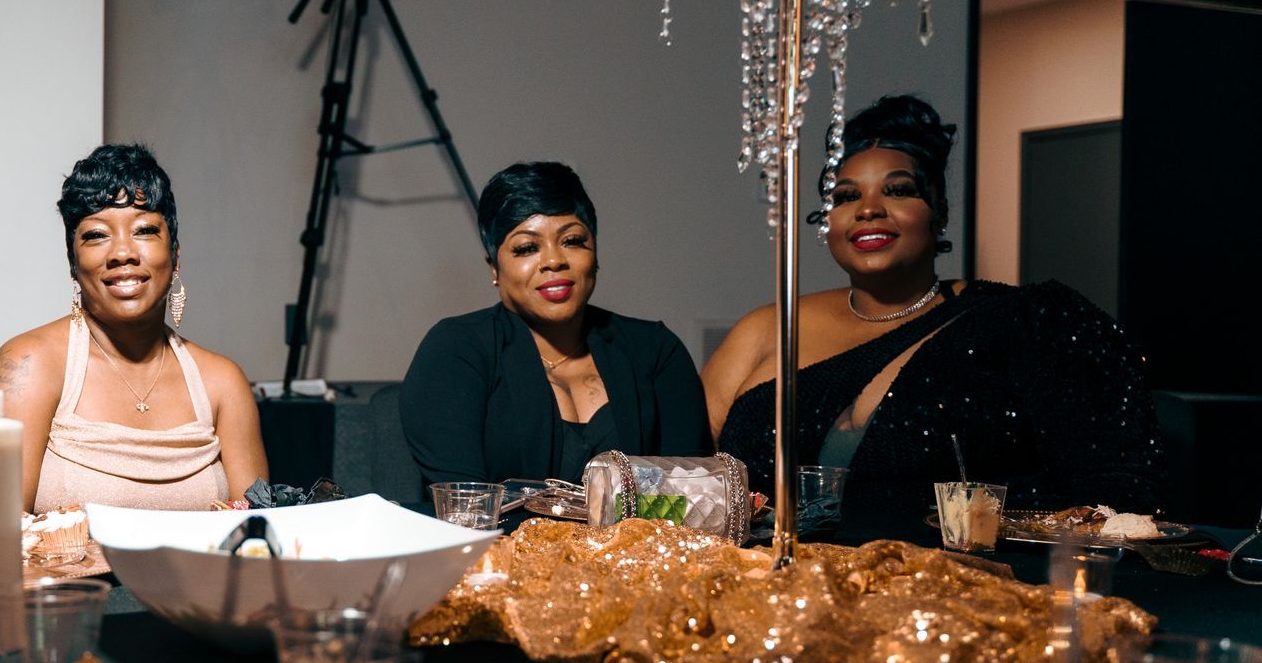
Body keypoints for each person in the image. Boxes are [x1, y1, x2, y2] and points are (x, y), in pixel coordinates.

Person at [703, 94, 1162, 532]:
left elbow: (1115, 500)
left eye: (898, 190)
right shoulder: (767, 329)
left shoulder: (1027, 321)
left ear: (938, 211)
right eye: (844, 196)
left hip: (968, 590)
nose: (868, 209)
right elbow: (684, 481)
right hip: (767, 587)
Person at [0, 144, 267, 511]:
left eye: (145, 230)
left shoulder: (223, 383)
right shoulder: (31, 364)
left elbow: (257, 542)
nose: (122, 253)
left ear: (175, 254)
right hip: (66, 572)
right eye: (96, 235)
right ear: (73, 262)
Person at [400, 162, 711, 488]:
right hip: (496, 540)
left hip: (643, 541)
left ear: (596, 254)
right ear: (494, 267)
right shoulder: (454, 352)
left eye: (573, 240)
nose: (554, 260)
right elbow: (462, 508)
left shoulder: (656, 351)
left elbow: (689, 496)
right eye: (527, 248)